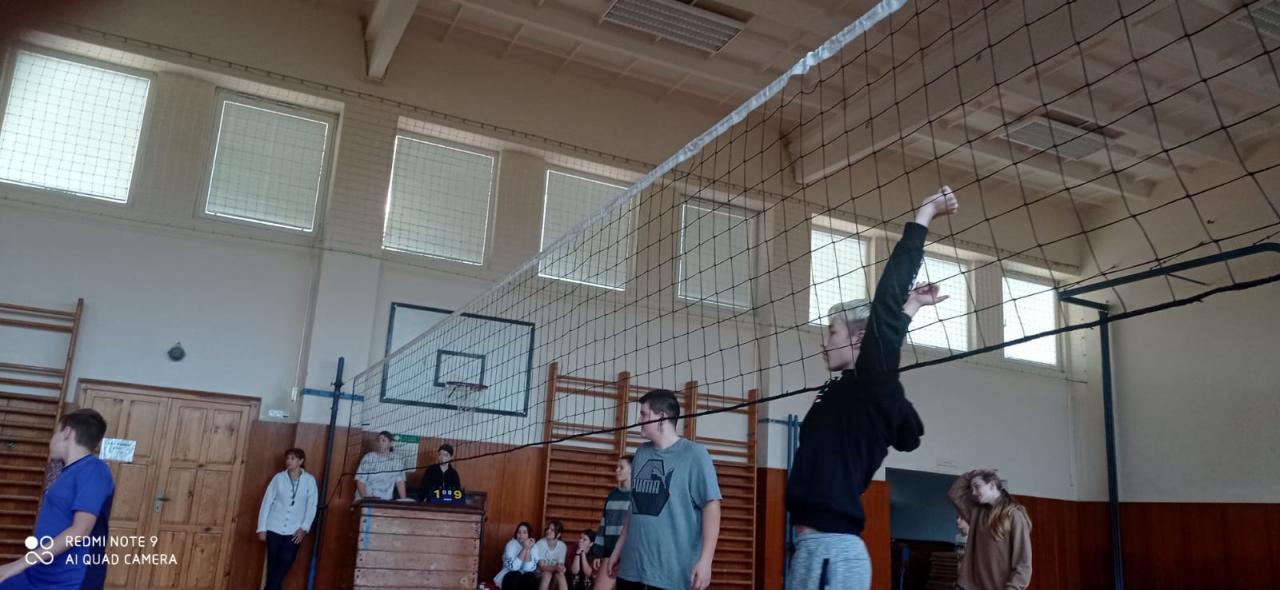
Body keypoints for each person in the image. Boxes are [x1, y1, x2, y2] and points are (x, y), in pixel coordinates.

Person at [784, 187, 960, 590]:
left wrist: (925, 213)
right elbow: (907, 432)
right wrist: (912, 307)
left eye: (832, 331)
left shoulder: (869, 381)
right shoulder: (851, 389)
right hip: (814, 549)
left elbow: (884, 309)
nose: (824, 341)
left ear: (860, 339)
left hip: (831, 550)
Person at [607, 389, 721, 590]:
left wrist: (706, 561)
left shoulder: (695, 455)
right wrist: (618, 550)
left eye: (644, 414)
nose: (639, 420)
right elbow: (634, 508)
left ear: (661, 418)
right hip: (631, 571)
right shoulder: (641, 453)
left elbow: (711, 506)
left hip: (671, 576)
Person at [0, 409, 114, 590]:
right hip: (40, 571)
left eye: (55, 433)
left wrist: (19, 564)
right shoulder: (66, 472)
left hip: (70, 579)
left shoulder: (94, 469)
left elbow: (80, 530)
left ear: (66, 432)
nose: (51, 440)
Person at [949, 470, 1032, 590]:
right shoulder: (977, 512)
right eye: (972, 488)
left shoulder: (1014, 515)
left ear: (992, 485)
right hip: (968, 586)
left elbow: (1023, 563)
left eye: (977, 486)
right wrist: (973, 474)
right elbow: (955, 493)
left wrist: (1013, 588)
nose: (973, 492)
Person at [256, 448, 318, 590]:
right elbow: (267, 503)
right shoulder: (278, 478)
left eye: (293, 458)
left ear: (301, 461)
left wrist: (304, 528)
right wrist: (262, 528)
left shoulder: (309, 480)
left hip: (294, 531)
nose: (289, 461)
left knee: (285, 562)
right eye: (287, 458)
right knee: (273, 565)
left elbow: (311, 506)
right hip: (274, 527)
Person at [589, 456, 632, 590]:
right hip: (610, 553)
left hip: (630, 556)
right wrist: (599, 553)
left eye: (621, 467)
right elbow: (603, 524)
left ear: (633, 470)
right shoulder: (612, 495)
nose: (617, 470)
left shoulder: (638, 495)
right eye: (616, 467)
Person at [355, 431, 408, 501]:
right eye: (378, 440)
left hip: (385, 500)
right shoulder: (368, 457)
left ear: (391, 444)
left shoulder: (397, 460)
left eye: (383, 440)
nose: (380, 443)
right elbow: (360, 481)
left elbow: (400, 482)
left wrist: (404, 500)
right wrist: (366, 500)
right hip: (366, 498)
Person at [495, 522, 539, 590]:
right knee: (515, 575)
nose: (521, 535)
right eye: (519, 532)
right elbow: (513, 567)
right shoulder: (510, 545)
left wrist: (527, 549)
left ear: (529, 535)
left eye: (524, 532)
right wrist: (524, 548)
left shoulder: (534, 547)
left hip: (524, 577)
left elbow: (529, 569)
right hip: (509, 575)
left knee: (531, 576)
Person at [532, 520, 568, 590]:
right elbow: (542, 567)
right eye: (548, 528)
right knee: (547, 574)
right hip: (539, 574)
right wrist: (556, 567)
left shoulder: (562, 546)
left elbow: (560, 565)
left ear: (558, 535)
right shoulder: (540, 544)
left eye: (552, 530)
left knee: (561, 575)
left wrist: (562, 568)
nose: (548, 531)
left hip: (554, 574)